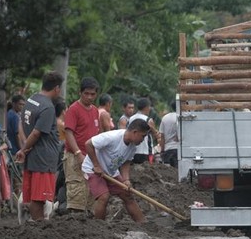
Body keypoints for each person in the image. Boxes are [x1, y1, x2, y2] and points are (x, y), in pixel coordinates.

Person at [15, 71, 64, 221]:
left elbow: (21, 125)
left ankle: (34, 231)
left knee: (33, 198)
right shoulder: (48, 107)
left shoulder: (31, 100)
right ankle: (39, 231)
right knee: (39, 200)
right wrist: (23, 149)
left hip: (33, 157)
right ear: (56, 88)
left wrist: (25, 146)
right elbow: (36, 133)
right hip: (43, 160)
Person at [82, 118, 150, 222]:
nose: (143, 140)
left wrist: (126, 180)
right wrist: (96, 166)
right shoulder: (112, 137)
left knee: (128, 195)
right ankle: (99, 227)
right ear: (135, 132)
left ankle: (144, 224)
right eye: (143, 136)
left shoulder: (132, 147)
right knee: (104, 197)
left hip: (110, 172)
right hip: (92, 169)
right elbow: (88, 144)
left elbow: (126, 163)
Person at [63, 77, 101, 214]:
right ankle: (74, 220)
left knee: (90, 191)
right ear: (80, 92)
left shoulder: (95, 111)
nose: (89, 97)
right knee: (76, 190)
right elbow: (68, 132)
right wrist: (78, 153)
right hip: (75, 156)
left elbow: (97, 135)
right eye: (86, 93)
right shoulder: (74, 109)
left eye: (93, 94)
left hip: (90, 156)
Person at [127, 97, 159, 164]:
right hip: (146, 152)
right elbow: (156, 134)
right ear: (146, 107)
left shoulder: (130, 119)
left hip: (132, 151)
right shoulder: (148, 120)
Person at [159, 101, 179, 167]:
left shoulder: (165, 118)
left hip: (167, 149)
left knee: (169, 174)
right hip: (178, 149)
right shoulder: (180, 117)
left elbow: (162, 136)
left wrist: (162, 150)